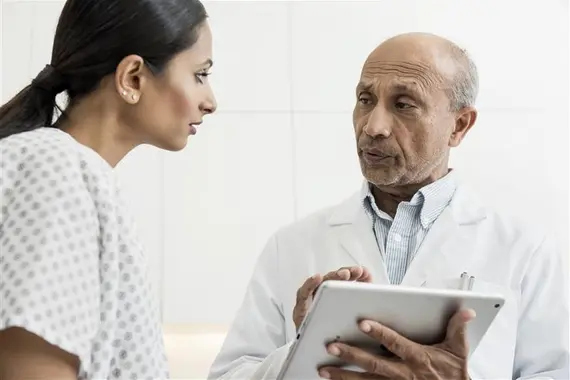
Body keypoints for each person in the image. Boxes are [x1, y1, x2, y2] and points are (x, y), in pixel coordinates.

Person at [207, 33, 569, 380]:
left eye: (403, 105)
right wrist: (304, 347)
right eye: (365, 100)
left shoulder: (527, 250)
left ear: (459, 125)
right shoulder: (291, 246)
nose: (374, 126)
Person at [0, 0, 216, 378]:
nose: (210, 101)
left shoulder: (72, 174)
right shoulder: (55, 168)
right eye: (200, 75)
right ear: (132, 77)